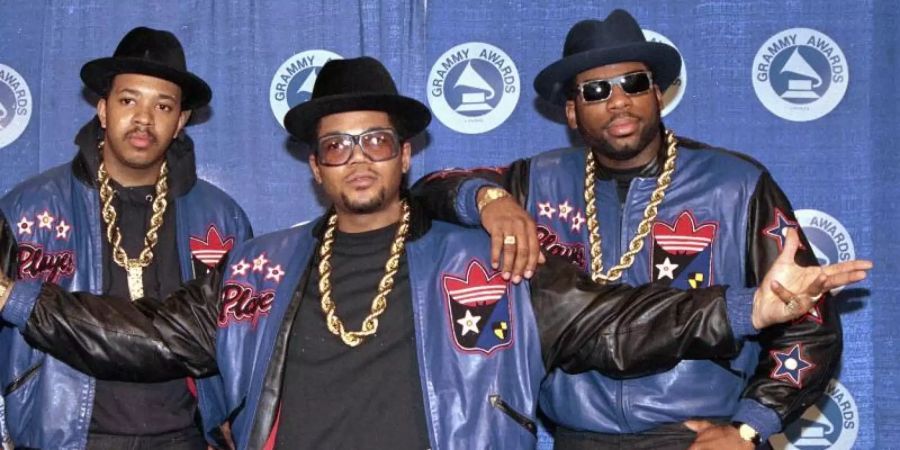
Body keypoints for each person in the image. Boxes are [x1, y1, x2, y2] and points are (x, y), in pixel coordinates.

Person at [0, 57, 869, 450]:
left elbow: (614, 323)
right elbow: (141, 334)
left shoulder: (490, 261)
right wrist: (14, 299)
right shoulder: (258, 266)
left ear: (406, 154)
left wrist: (749, 308)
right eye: (336, 145)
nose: (358, 159)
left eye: (375, 141)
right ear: (313, 165)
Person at [413, 9, 848, 449]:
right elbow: (425, 192)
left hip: (696, 436)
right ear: (571, 111)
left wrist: (749, 427)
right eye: (596, 90)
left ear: (658, 94)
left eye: (634, 84)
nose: (618, 100)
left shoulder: (735, 184)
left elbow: (809, 322)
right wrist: (488, 199)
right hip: (578, 437)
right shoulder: (533, 182)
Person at [0, 27, 252, 449]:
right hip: (62, 440)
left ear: (181, 122)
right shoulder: (27, 211)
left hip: (184, 439)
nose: (144, 119)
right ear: (102, 110)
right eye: (128, 100)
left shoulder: (222, 219)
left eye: (164, 105)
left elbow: (240, 345)